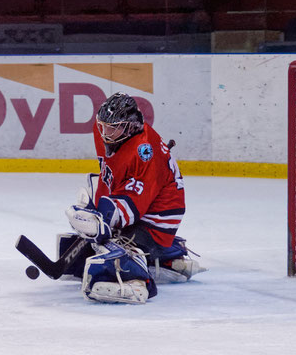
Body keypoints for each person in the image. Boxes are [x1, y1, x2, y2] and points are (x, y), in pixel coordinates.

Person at [64, 92, 206, 304]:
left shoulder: (145, 152)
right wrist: (97, 208)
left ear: (130, 127)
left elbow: (133, 207)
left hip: (156, 220)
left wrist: (103, 220)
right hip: (138, 204)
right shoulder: (108, 132)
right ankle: (169, 258)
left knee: (112, 240)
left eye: (112, 128)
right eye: (102, 126)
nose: (104, 132)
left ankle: (138, 280)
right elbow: (109, 173)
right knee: (96, 232)